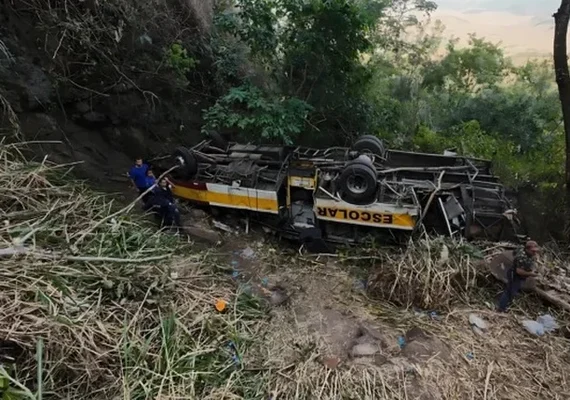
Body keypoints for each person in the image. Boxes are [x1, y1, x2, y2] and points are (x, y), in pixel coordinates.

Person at [497, 240, 540, 312]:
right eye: (533, 251)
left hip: (519, 274)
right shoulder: (522, 257)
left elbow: (514, 252)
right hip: (515, 275)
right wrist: (531, 274)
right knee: (509, 292)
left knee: (512, 291)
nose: (534, 253)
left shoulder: (522, 250)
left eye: (535, 251)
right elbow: (519, 271)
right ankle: (501, 308)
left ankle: (504, 306)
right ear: (527, 249)